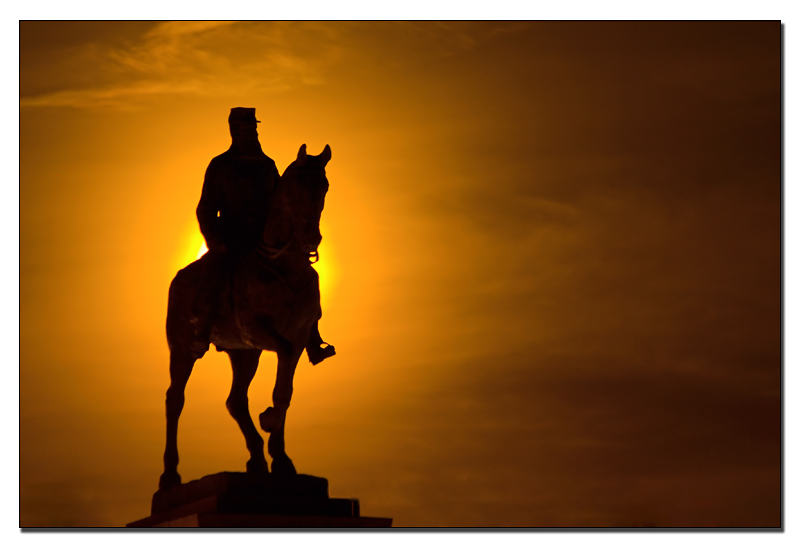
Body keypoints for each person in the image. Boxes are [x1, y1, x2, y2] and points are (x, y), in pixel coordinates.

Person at [190, 107, 335, 365]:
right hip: (231, 238)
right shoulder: (221, 165)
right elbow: (206, 208)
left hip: (263, 239)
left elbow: (280, 200)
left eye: (253, 127)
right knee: (213, 269)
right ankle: (200, 330)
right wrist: (216, 242)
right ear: (234, 130)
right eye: (244, 128)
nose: (250, 132)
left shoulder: (267, 165)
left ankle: (313, 337)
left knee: (306, 274)